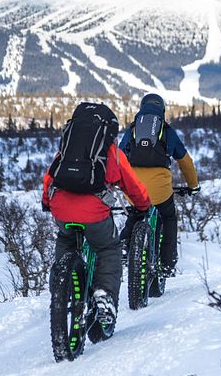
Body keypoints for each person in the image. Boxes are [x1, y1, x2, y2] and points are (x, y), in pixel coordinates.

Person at [42, 102, 151, 327]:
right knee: (109, 248)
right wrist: (143, 206)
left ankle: (60, 293)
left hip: (61, 210)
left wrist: (47, 203)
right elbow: (133, 186)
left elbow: (49, 179)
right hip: (94, 215)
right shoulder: (112, 153)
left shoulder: (66, 149)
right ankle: (105, 296)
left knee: (65, 241)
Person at [119, 93, 199, 277]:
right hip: (161, 191)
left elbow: (119, 157)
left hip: (134, 189)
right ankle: (167, 263)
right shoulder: (167, 131)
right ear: (162, 110)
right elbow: (185, 162)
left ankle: (124, 246)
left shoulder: (132, 130)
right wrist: (193, 185)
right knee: (169, 218)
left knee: (135, 214)